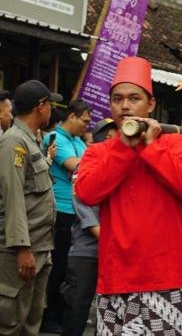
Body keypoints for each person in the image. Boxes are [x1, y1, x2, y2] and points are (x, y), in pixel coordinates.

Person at [75, 56, 182, 334]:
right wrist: (123, 149)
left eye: (134, 98)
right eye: (117, 99)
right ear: (110, 106)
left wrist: (150, 148)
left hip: (167, 276)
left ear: (151, 104)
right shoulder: (99, 151)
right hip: (116, 277)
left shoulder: (174, 142)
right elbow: (87, 193)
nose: (125, 106)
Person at [0, 80, 60, 335]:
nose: (51, 110)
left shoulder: (31, 140)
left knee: (31, 322)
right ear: (42, 106)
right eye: (50, 104)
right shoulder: (14, 142)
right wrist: (22, 248)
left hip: (40, 246)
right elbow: (13, 198)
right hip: (21, 250)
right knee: (11, 322)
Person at [60, 118, 117, 336]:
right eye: (112, 137)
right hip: (88, 251)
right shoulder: (85, 167)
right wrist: (116, 241)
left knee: (107, 312)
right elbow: (86, 212)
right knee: (77, 310)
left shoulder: (119, 166)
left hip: (111, 250)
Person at [41, 100, 92, 333]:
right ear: (72, 116)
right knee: (58, 266)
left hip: (77, 212)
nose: (87, 125)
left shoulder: (78, 141)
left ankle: (61, 314)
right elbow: (77, 166)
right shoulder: (55, 139)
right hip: (61, 210)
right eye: (85, 120)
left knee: (69, 270)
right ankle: (48, 315)